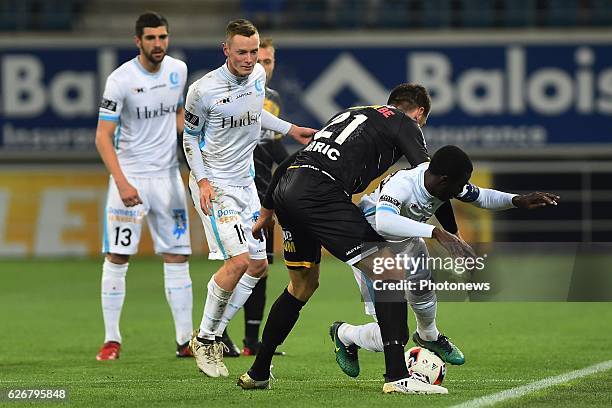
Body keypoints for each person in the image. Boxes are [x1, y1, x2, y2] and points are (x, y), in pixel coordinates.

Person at [239, 83, 468, 394]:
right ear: (420, 113)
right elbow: (429, 182)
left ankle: (258, 371)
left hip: (289, 188)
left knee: (302, 285)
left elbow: (294, 159)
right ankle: (397, 377)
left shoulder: (351, 114)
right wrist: (450, 234)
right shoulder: (406, 123)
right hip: (321, 193)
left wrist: (266, 212)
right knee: (389, 270)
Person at [329, 145, 560, 378]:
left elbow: (481, 196)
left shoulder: (442, 182)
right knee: (392, 333)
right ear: (444, 180)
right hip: (372, 247)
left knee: (423, 290)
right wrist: (438, 233)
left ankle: (429, 336)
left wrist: (518, 200)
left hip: (407, 240)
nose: (461, 191)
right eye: (459, 184)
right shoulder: (404, 185)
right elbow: (385, 221)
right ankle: (345, 334)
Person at [182, 19, 315, 378]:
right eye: (241, 51)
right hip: (216, 185)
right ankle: (207, 339)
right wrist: (203, 181)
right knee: (239, 262)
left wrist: (291, 129)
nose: (249, 58)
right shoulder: (203, 90)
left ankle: (208, 333)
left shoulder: (257, 75)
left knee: (258, 266)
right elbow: (190, 139)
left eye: (254, 51)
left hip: (246, 183)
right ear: (226, 50)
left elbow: (255, 117)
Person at [95, 12, 193, 361]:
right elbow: (103, 136)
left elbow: (177, 113)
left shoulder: (178, 71)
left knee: (178, 255)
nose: (158, 44)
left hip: (167, 179)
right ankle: (111, 340)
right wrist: (121, 182)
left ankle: (185, 340)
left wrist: (192, 138)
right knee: (118, 255)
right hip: (131, 178)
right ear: (138, 41)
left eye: (162, 37)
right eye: (150, 38)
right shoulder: (120, 80)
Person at [241, 36, 289, 356]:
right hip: (237, 188)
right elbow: (267, 144)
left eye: (268, 62)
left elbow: (271, 146)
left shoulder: (271, 99)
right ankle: (215, 333)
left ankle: (250, 340)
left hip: (262, 192)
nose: (263, 67)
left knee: (262, 266)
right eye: (259, 60)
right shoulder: (237, 93)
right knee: (241, 264)